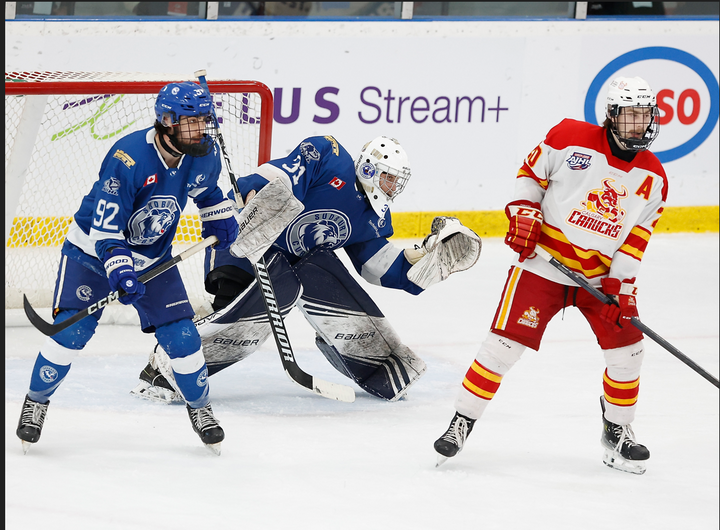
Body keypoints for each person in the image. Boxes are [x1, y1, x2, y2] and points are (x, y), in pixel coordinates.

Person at [131, 134, 482, 404]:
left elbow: (377, 266)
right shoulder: (327, 155)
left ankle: (379, 366)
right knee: (256, 304)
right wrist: (257, 200)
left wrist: (422, 262)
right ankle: (169, 366)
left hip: (289, 266)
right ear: (371, 168)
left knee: (320, 268)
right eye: (389, 178)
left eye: (397, 182)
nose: (392, 188)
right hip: (244, 248)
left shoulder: (373, 216)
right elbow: (275, 176)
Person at [433, 76, 667, 475]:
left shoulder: (655, 178)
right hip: (544, 265)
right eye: (629, 116)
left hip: (598, 280)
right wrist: (525, 212)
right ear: (611, 115)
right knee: (501, 348)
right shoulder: (569, 137)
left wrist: (623, 288)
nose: (638, 125)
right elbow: (530, 174)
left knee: (629, 351)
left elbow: (635, 240)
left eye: (645, 116)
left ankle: (618, 430)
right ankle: (462, 421)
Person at [15, 81, 240, 455]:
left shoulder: (203, 153)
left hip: (153, 256)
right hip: (92, 253)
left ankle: (201, 410)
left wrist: (218, 217)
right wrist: (119, 270)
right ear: (167, 122)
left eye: (205, 120)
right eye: (193, 122)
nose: (202, 129)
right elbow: (106, 230)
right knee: (72, 333)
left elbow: (208, 191)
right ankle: (36, 402)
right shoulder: (128, 158)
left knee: (183, 339)